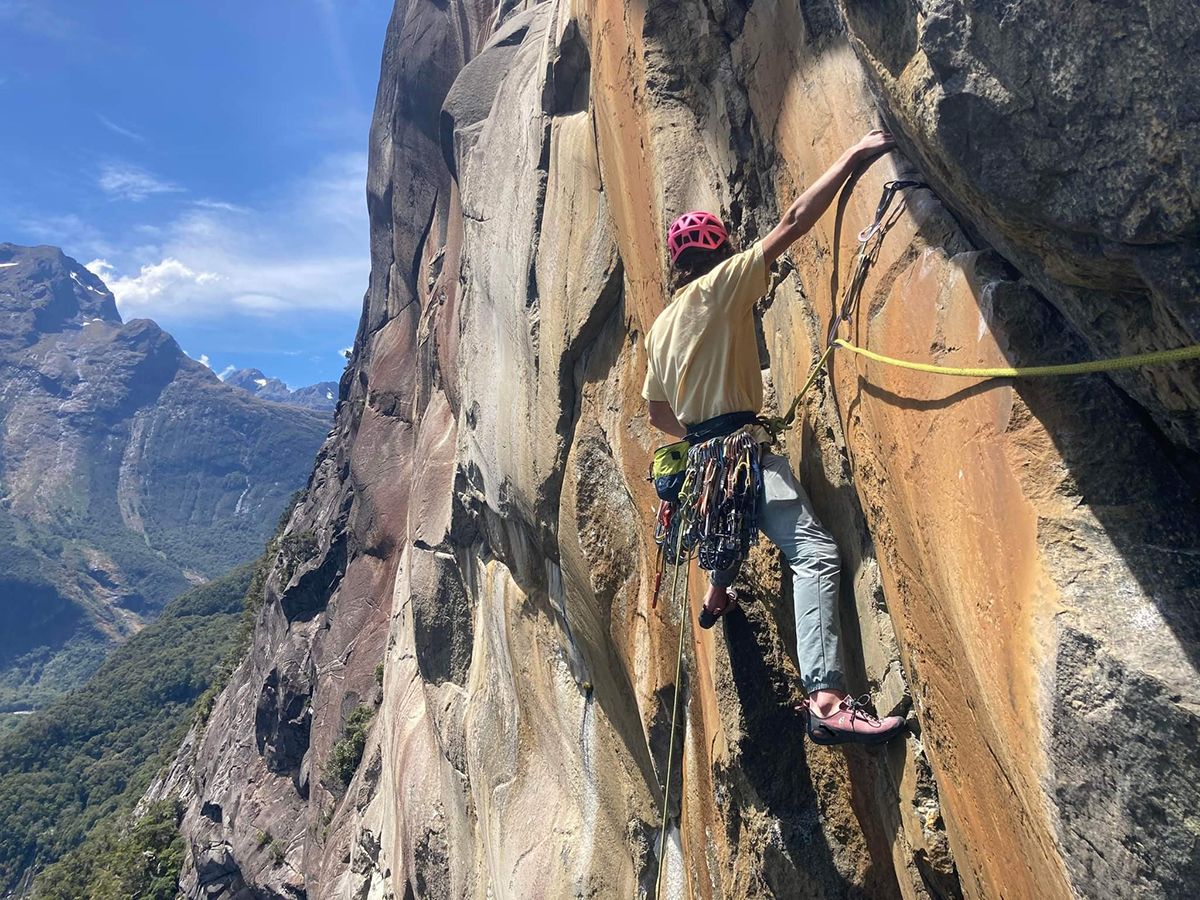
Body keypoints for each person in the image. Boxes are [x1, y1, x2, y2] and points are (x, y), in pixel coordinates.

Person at [642, 130, 906, 745]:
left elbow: (657, 412)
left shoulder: (659, 329)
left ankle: (715, 599)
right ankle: (827, 701)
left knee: (725, 520)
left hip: (705, 458)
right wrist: (850, 156)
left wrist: (700, 431)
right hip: (740, 451)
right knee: (814, 553)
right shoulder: (724, 285)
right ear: (722, 250)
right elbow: (792, 221)